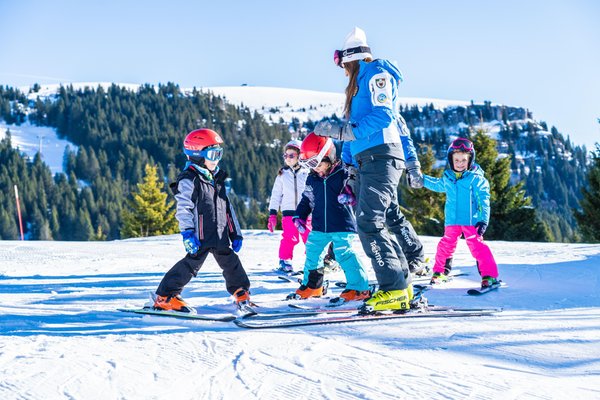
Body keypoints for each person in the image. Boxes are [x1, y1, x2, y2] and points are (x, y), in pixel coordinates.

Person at [315, 27, 425, 313]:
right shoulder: (358, 86)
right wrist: (349, 167)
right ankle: (400, 285)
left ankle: (393, 289)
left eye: (341, 65)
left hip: (382, 156)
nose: (341, 71)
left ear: (351, 59)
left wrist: (342, 132)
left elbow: (384, 115)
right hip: (367, 160)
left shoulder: (376, 73)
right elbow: (353, 131)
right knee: (378, 220)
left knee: (369, 223)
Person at [153, 128, 251, 312]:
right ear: (197, 155)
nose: (217, 159)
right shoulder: (189, 179)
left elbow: (228, 208)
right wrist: (187, 233)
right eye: (213, 154)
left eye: (219, 154)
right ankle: (165, 297)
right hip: (200, 235)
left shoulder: (217, 178)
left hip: (220, 234)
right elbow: (183, 209)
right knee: (190, 265)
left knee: (231, 262)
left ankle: (241, 292)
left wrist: (235, 233)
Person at [288, 133, 370, 304]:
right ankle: (313, 286)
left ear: (329, 156)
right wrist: (300, 216)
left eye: (317, 163)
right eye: (309, 165)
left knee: (343, 254)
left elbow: (356, 188)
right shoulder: (313, 178)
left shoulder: (344, 173)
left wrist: (351, 195)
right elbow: (307, 199)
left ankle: (359, 288)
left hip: (342, 224)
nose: (315, 168)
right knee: (312, 252)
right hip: (319, 225)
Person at [422, 137, 500, 288]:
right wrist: (421, 179)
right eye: (456, 160)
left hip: (471, 221)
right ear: (451, 160)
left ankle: (489, 275)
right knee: (445, 245)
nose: (459, 164)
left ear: (470, 160)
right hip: (452, 220)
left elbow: (484, 200)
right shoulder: (448, 178)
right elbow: (436, 184)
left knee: (477, 246)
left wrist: (483, 220)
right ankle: (440, 272)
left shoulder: (477, 179)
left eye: (463, 160)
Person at [267, 139, 310, 272]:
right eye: (286, 155)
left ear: (300, 155)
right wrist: (272, 214)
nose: (288, 158)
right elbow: (275, 195)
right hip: (289, 214)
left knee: (310, 238)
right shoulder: (282, 175)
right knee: (289, 238)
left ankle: (312, 263)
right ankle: (285, 261)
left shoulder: (307, 173)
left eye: (291, 155)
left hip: (306, 213)